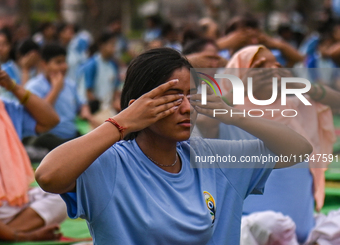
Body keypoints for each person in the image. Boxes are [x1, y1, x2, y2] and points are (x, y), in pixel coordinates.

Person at [36, 48, 312, 244]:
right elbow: (48, 175)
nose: (186, 107)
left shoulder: (210, 157)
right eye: (172, 96)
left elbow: (299, 149)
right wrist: (121, 123)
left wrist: (232, 113)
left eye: (191, 95)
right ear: (138, 105)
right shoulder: (111, 164)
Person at [216, 45, 336, 244]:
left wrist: (304, 86)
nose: (273, 68)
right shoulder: (226, 115)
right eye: (261, 65)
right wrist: (240, 90)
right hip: (250, 234)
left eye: (276, 63)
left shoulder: (297, 106)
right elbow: (202, 120)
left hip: (304, 235)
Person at [0, 69, 67, 242]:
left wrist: (13, 87)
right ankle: (13, 232)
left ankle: (8, 231)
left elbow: (51, 120)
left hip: (14, 202)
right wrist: (28, 236)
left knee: (64, 196)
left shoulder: (5, 109)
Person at [25, 43, 97, 151]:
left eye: (65, 62)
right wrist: (56, 89)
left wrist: (85, 112)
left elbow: (82, 103)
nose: (64, 67)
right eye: (58, 62)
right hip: (46, 138)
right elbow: (40, 113)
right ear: (44, 64)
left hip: (70, 136)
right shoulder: (34, 86)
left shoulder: (70, 84)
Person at [80, 31, 121, 114]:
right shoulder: (92, 65)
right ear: (102, 45)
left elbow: (115, 88)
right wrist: (99, 106)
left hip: (109, 110)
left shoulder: (114, 65)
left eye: (115, 45)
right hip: (95, 111)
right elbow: (88, 92)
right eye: (112, 45)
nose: (114, 48)